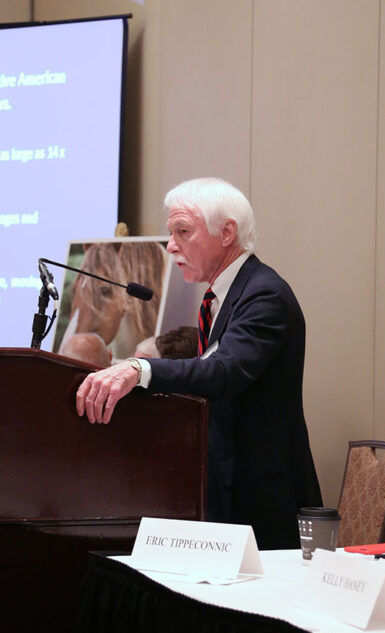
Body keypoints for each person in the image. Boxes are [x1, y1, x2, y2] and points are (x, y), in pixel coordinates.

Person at [75, 177, 322, 550]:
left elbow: (223, 371)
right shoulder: (223, 295)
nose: (171, 245)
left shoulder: (264, 295)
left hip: (264, 502)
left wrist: (138, 369)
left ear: (227, 233)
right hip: (227, 491)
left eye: (183, 231)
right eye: (171, 233)